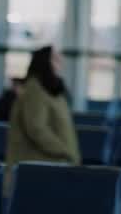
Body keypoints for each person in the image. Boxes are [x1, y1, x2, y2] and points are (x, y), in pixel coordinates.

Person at [6, 46, 79, 175]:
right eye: (55, 59)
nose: (60, 63)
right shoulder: (35, 90)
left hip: (51, 165)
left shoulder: (51, 90)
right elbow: (36, 128)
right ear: (45, 63)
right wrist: (63, 151)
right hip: (38, 169)